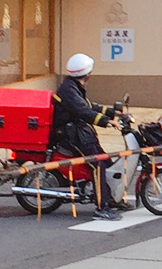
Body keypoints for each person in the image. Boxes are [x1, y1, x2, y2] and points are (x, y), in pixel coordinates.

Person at [53, 53, 125, 217]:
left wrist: (113, 113)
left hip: (79, 132)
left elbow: (90, 105)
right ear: (86, 73)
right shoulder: (69, 90)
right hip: (71, 134)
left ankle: (111, 199)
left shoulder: (73, 86)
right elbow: (83, 111)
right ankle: (101, 208)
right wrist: (106, 122)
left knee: (106, 161)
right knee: (97, 165)